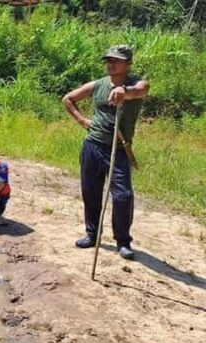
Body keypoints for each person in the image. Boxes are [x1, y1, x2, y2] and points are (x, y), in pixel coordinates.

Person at [62, 45, 150, 260]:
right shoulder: (99, 84)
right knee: (90, 192)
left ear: (128, 64)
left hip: (118, 149)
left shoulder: (137, 83)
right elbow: (68, 99)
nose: (111, 64)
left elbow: (140, 91)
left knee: (123, 195)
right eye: (108, 60)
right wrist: (83, 120)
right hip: (93, 145)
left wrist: (124, 92)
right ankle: (92, 234)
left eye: (116, 61)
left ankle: (123, 241)